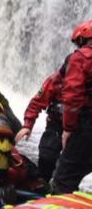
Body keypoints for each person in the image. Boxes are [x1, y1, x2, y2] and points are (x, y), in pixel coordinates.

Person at [15, 56, 70, 182]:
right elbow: (37, 102)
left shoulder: (86, 82)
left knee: (73, 166)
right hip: (56, 125)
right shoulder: (56, 79)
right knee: (46, 157)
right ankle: (42, 186)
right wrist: (27, 125)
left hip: (80, 128)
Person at [52, 20, 92, 194]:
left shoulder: (80, 58)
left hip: (86, 125)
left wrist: (68, 128)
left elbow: (73, 97)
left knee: (64, 178)